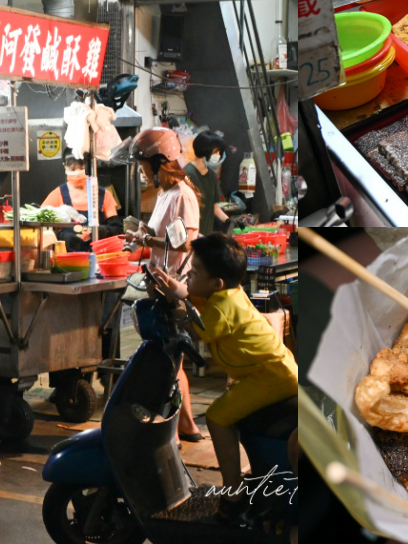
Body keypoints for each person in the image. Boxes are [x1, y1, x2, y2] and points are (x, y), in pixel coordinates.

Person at [152, 234, 298, 521]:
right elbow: (190, 294)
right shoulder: (226, 293)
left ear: (216, 283)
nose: (189, 277)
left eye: (194, 272)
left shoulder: (221, 309)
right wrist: (172, 286)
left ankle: (233, 493)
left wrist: (177, 307)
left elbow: (196, 327)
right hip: (271, 371)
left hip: (269, 377)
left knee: (217, 417)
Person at [125, 127, 204, 442]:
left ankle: (182, 427)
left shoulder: (182, 194)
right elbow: (165, 236)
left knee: (171, 360)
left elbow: (183, 243)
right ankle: (185, 425)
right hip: (159, 282)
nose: (142, 170)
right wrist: (143, 233)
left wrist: (147, 239)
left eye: (144, 164)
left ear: (159, 161)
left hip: (174, 287)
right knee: (169, 360)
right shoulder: (165, 194)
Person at [42, 153, 121, 250]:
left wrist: (104, 231)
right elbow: (42, 231)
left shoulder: (104, 195)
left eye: (82, 168)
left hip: (98, 255)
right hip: (66, 256)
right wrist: (62, 237)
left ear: (89, 168)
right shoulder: (56, 195)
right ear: (65, 167)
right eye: (73, 169)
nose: (77, 173)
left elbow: (118, 230)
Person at [185, 131, 230, 235]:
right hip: (191, 236)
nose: (218, 155)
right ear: (204, 150)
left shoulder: (212, 176)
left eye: (219, 152)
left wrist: (228, 220)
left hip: (206, 235)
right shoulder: (187, 174)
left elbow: (214, 207)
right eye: (216, 152)